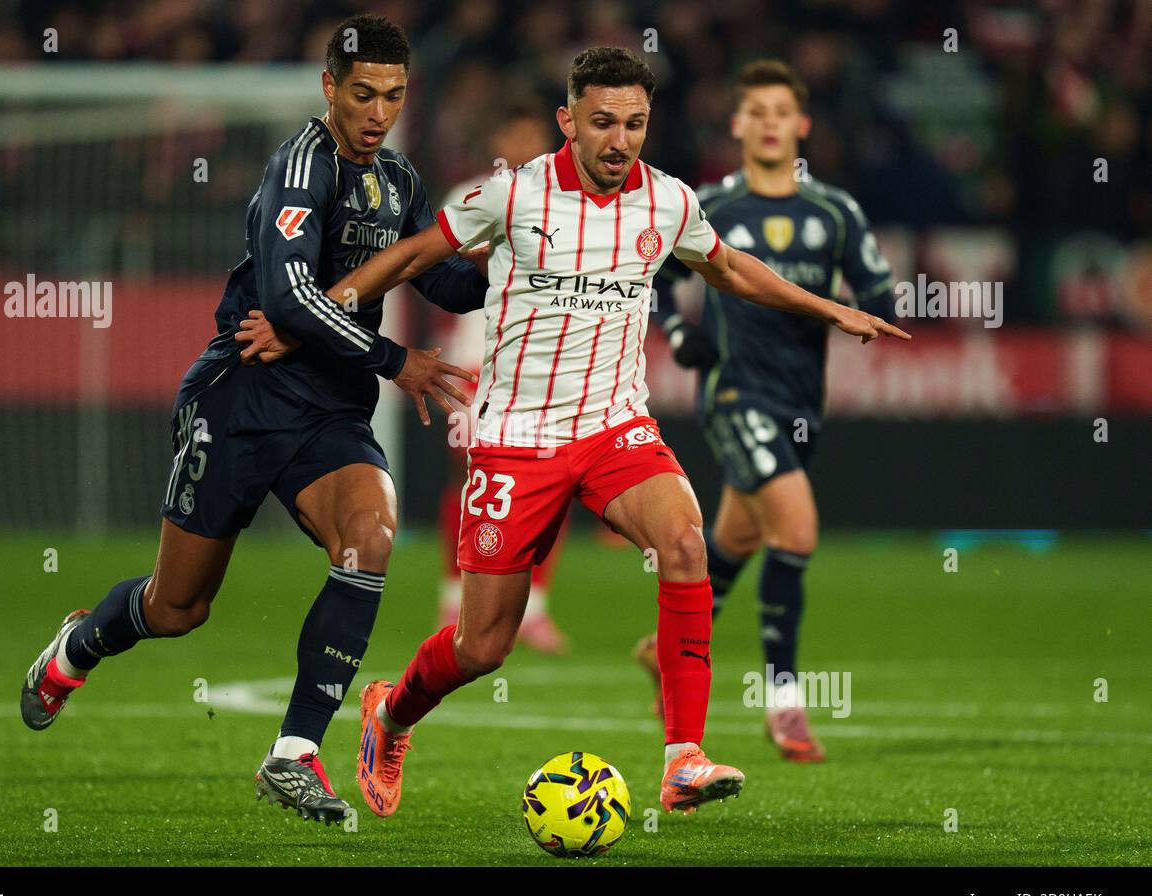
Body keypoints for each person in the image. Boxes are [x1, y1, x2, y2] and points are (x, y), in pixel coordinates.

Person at [289, 46, 906, 819]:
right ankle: (392, 713)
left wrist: (830, 308)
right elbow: (418, 253)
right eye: (604, 121)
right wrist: (319, 304)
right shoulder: (512, 195)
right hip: (518, 435)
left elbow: (731, 268)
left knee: (684, 545)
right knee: (483, 646)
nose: (620, 140)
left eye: (636, 123)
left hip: (616, 423)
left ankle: (682, 757)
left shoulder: (670, 203)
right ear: (569, 120)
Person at [19, 15, 484, 826]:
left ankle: (294, 753)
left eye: (395, 96)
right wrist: (393, 360)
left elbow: (441, 285)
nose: (379, 113)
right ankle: (77, 646)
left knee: (371, 534)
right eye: (365, 94)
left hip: (330, 408)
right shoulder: (301, 167)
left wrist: (518, 259)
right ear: (330, 88)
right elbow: (287, 297)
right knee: (178, 608)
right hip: (243, 397)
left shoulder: (401, 180)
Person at [637, 60, 898, 762]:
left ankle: (660, 652)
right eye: (757, 111)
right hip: (732, 394)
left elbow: (880, 290)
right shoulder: (710, 206)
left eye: (783, 110)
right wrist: (678, 332)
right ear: (738, 124)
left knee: (734, 544)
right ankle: (784, 701)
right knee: (799, 529)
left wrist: (869, 310)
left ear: (802, 124)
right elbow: (652, 274)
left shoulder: (834, 212)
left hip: (800, 404)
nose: (771, 123)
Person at [435, 98, 571, 654]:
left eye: (530, 137)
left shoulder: (569, 205)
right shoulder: (473, 197)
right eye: (511, 137)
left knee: (555, 486)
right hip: (476, 365)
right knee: (475, 482)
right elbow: (442, 265)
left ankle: (533, 608)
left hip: (543, 370)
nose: (520, 149)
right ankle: (455, 599)